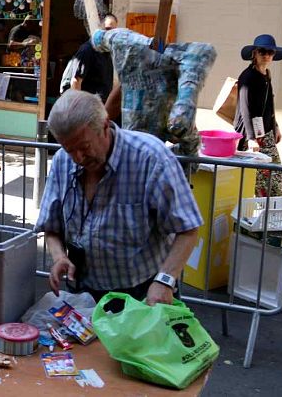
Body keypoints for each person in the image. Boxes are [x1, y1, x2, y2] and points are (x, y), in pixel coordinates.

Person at [36, 90, 201, 305]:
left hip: (143, 294)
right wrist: (59, 257)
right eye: (69, 150)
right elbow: (52, 226)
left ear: (105, 126)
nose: (77, 158)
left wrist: (165, 280)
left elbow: (188, 228)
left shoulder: (151, 158)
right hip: (84, 294)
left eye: (84, 147)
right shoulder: (62, 161)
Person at [235, 34, 282, 197]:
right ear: (254, 54)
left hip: (266, 132)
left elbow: (269, 105)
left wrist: (276, 126)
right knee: (256, 179)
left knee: (274, 174)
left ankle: (274, 212)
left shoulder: (266, 75)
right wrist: (251, 138)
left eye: (270, 52)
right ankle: (257, 214)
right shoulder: (247, 77)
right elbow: (245, 108)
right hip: (251, 134)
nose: (266, 55)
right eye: (262, 52)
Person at [69, 13, 118, 103]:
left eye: (114, 31)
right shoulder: (87, 50)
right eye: (107, 29)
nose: (110, 34)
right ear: (99, 28)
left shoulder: (108, 51)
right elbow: (76, 81)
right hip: (88, 107)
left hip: (100, 107)